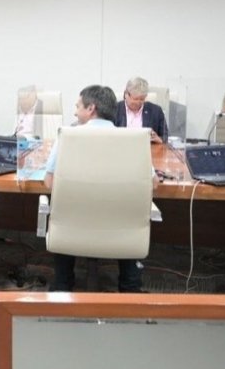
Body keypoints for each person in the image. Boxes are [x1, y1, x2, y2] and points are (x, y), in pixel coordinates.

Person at [44, 85, 156, 293]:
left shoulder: (67, 136)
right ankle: (130, 288)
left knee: (65, 208)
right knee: (127, 210)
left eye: (78, 106)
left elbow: (50, 183)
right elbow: (152, 183)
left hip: (74, 226)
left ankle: (62, 286)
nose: (75, 112)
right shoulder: (133, 139)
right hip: (121, 228)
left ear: (91, 108)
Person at [114, 76, 167, 144]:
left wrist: (159, 139)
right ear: (126, 94)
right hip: (121, 147)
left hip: (147, 149)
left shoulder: (156, 111)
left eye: (142, 99)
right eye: (135, 99)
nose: (138, 102)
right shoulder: (114, 109)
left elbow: (165, 137)